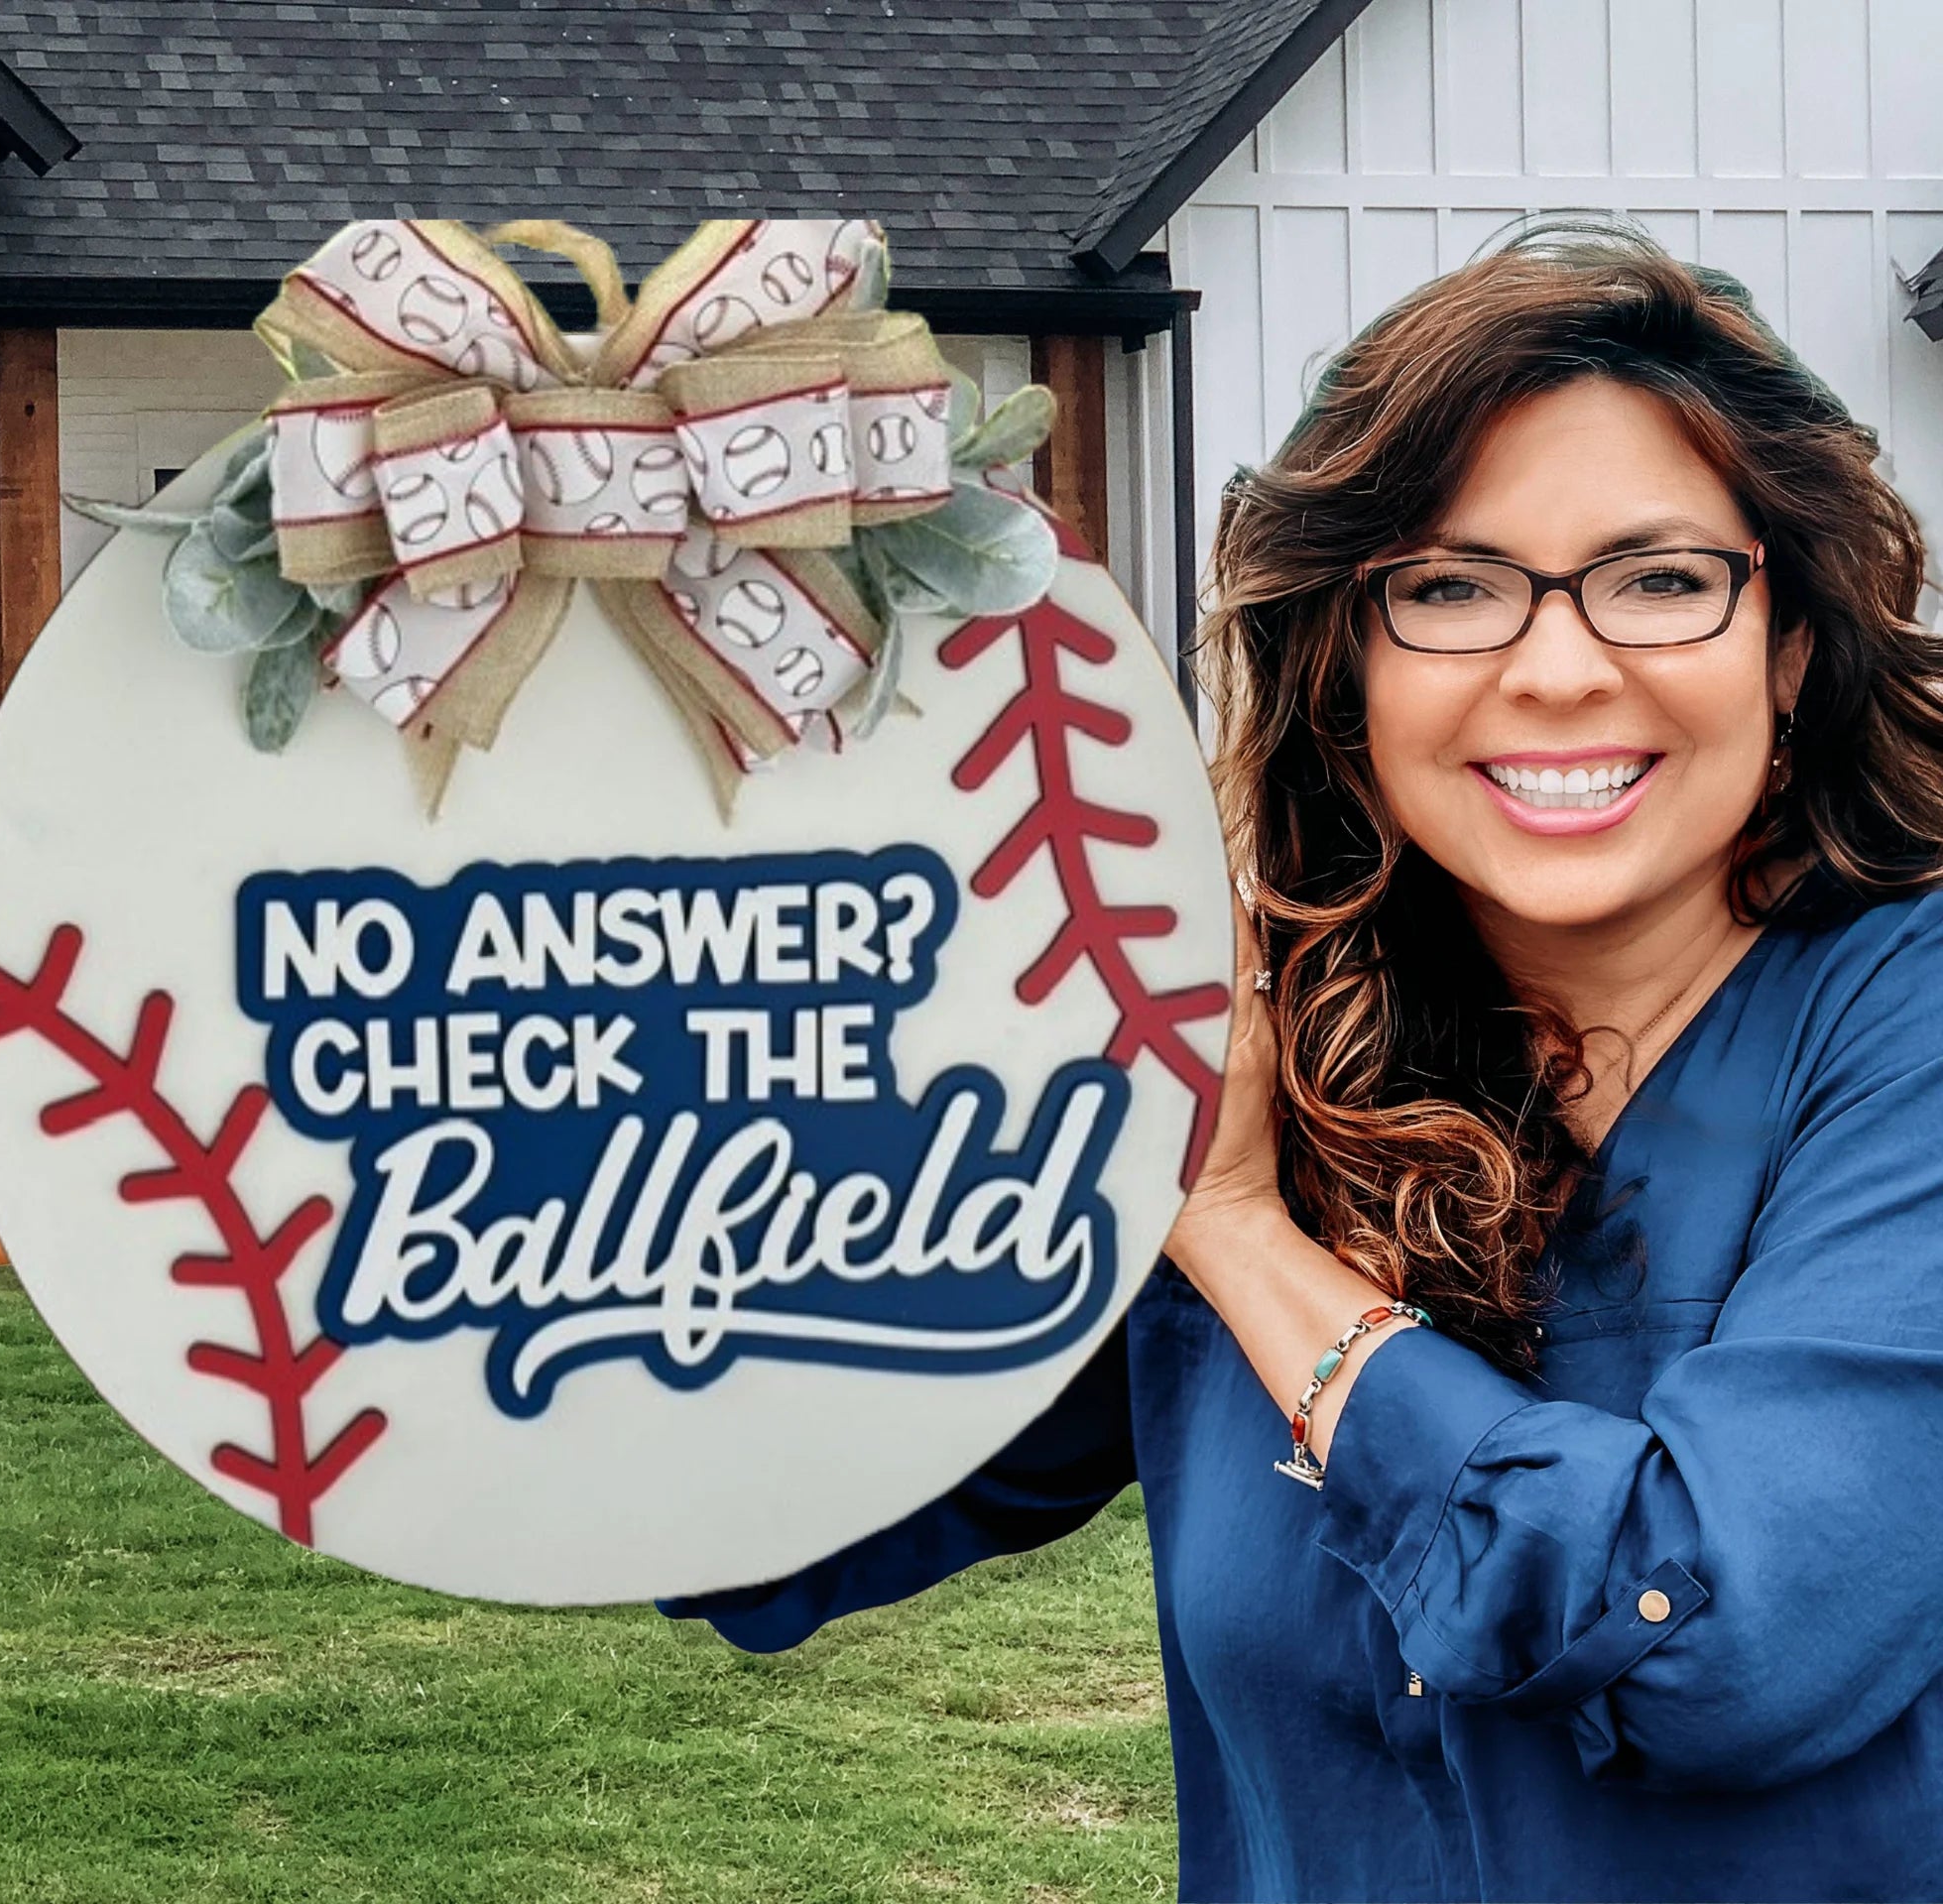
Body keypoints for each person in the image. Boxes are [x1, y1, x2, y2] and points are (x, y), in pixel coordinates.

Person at [662, 224, 1943, 1902]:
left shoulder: (1897, 1032)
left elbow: (1715, 1644)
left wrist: (1244, 1234)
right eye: (1452, 587)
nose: (1558, 668)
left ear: (1788, 645)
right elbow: (786, 1490)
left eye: (1659, 578)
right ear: (1348, 663)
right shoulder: (1277, 1042)